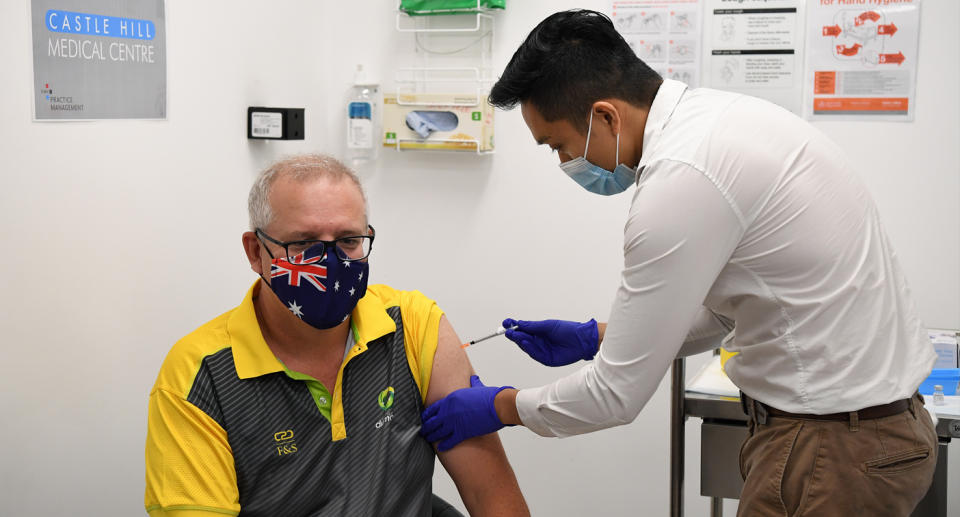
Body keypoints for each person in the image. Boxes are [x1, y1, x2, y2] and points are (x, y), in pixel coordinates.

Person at [420, 10, 938, 516]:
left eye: (559, 145)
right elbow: (733, 311)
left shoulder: (680, 183)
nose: (564, 163)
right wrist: (597, 336)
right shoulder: (720, 120)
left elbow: (614, 397)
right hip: (864, 433)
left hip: (834, 448)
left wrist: (500, 406)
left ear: (604, 115)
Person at [145, 154, 529, 517]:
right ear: (255, 252)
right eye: (304, 244)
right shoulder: (199, 375)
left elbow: (490, 493)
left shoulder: (412, 324)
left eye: (348, 240)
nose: (330, 262)